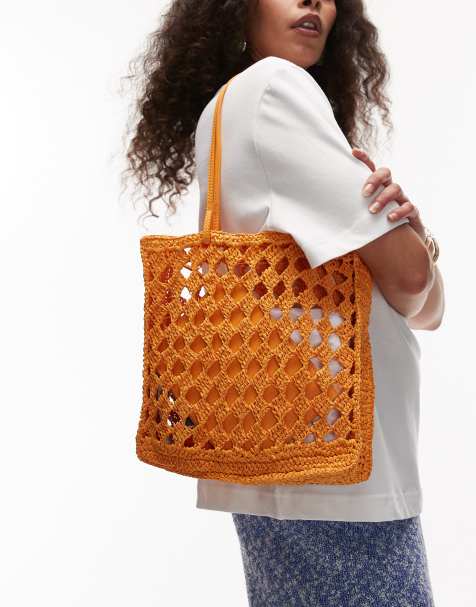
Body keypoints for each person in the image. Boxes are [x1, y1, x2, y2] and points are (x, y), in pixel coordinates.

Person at [124, 1, 444, 604]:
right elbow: (410, 282)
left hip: (278, 460)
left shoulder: (224, 110)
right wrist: (413, 241)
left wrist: (412, 246)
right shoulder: (275, 87)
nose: (312, 2)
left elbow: (423, 305)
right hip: (341, 475)